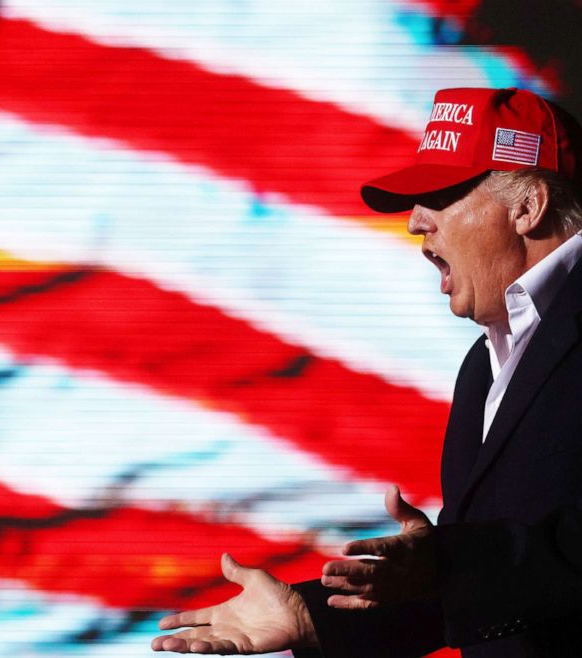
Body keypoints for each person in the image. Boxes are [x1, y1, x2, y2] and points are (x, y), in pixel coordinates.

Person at [150, 87, 582, 657]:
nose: (415, 224)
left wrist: (447, 562)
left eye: (441, 194)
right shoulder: (484, 364)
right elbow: (489, 591)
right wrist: (312, 617)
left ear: (528, 207)